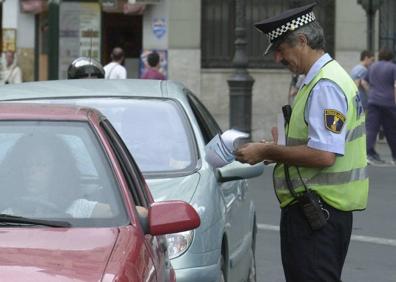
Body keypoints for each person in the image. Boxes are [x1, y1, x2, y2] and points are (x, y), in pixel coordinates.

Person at [235, 3, 368, 281]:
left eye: (281, 50)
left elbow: (324, 155)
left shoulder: (325, 85)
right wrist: (279, 151)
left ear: (303, 42)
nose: (278, 59)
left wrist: (269, 150)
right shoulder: (324, 78)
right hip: (320, 212)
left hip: (317, 214)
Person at [0, 133, 112, 218]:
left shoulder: (77, 208)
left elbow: (119, 216)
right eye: (26, 165)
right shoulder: (6, 217)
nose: (31, 171)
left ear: (58, 171)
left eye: (41, 165)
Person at [363, 48, 396, 165]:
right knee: (391, 130)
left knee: (371, 129)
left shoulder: (373, 66)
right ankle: (394, 157)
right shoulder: (393, 67)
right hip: (389, 102)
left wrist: (371, 92)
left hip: (373, 101)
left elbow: (364, 81)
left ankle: (366, 154)